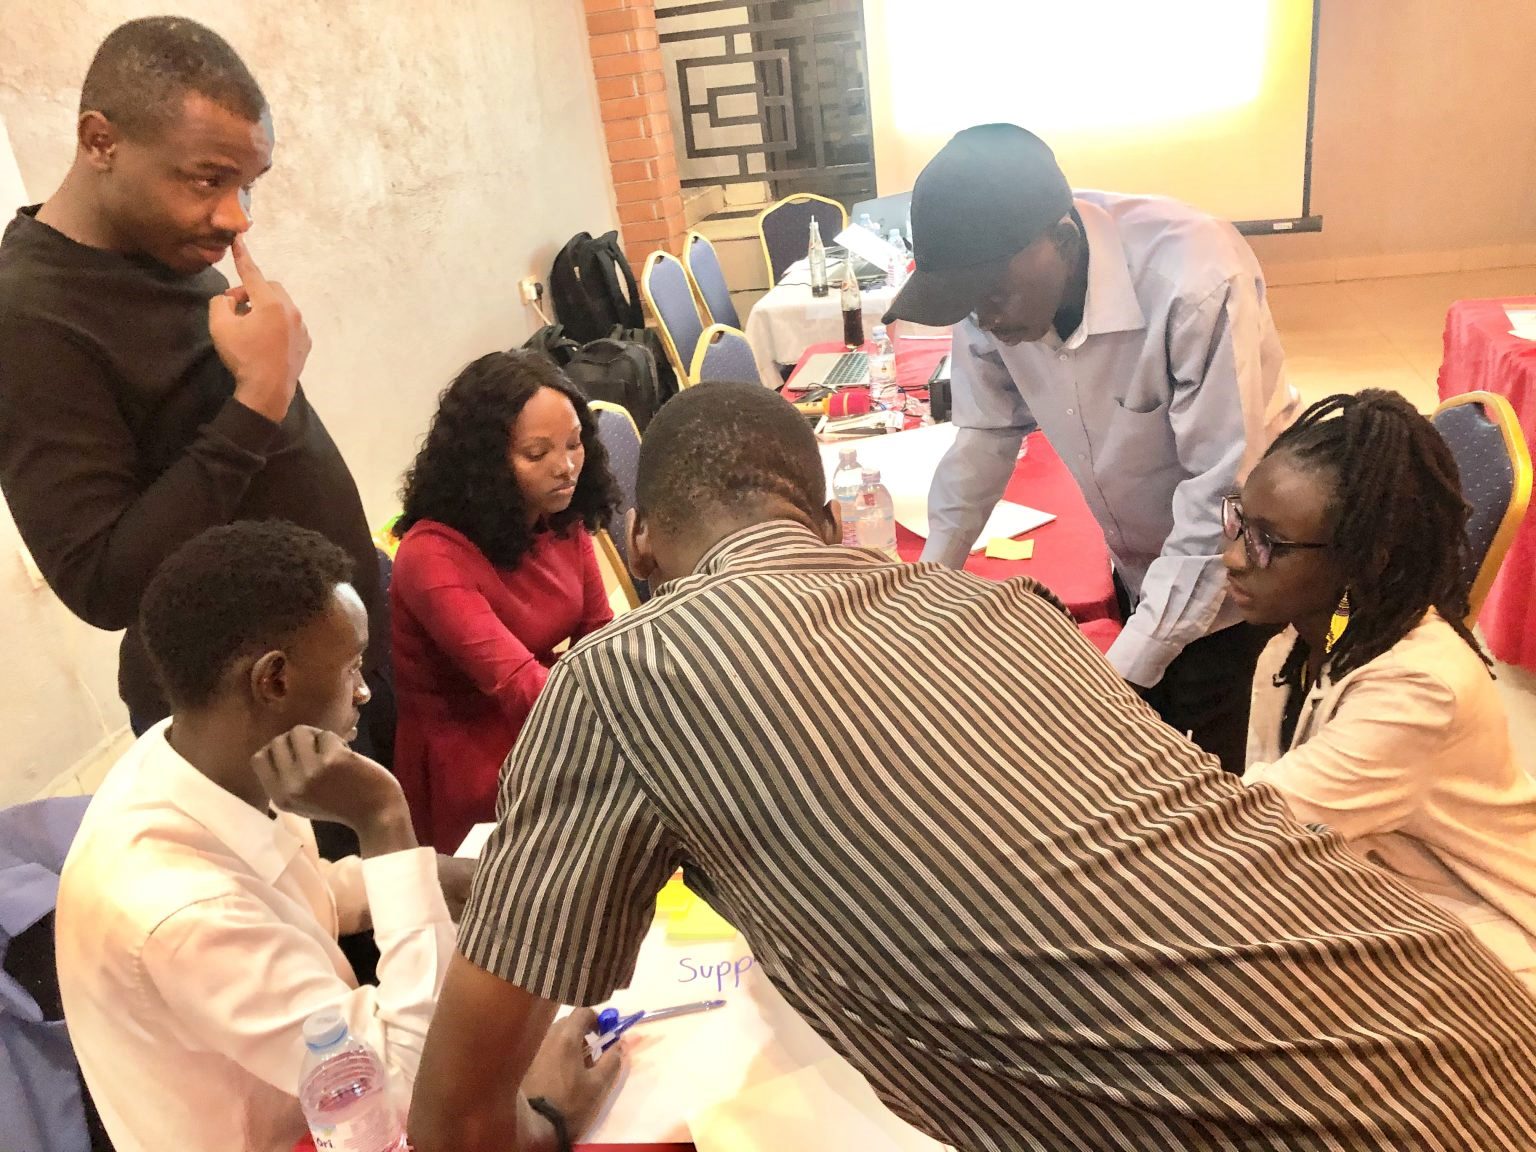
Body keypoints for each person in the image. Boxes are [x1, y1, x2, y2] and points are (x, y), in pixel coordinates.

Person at [408, 382, 1536, 1152]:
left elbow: (450, 1123)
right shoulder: (1011, 612)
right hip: (1481, 1028)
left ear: (642, 545)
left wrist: (547, 1119)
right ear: (819, 508)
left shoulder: (624, 675)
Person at [54, 520, 615, 1152]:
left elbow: (295, 889)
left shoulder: (195, 754)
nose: (365, 690)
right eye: (352, 667)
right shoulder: (180, 913)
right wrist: (385, 824)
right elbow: (418, 1093)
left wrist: (435, 874)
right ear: (273, 681)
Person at [0, 17, 392, 759]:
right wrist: (260, 400)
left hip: (328, 674)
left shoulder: (162, 249)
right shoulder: (28, 316)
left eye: (248, 185)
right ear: (100, 142)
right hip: (245, 726)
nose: (236, 216)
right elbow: (102, 584)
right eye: (208, 179)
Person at [883, 123, 1300, 774]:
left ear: (1065, 242)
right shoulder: (991, 300)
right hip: (1138, 566)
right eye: (967, 304)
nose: (985, 320)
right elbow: (985, 437)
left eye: (992, 294)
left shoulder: (1193, 280)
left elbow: (1222, 501)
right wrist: (928, 591)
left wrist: (1122, 676)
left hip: (1241, 585)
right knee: (1141, 764)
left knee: (1222, 790)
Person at [1227, 390, 1536, 990]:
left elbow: (1249, 828)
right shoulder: (1300, 638)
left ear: (1364, 557)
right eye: (1239, 520)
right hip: (1383, 899)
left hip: (1489, 954)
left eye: (1270, 543)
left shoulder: (1418, 693)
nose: (1235, 557)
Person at [391, 350, 619, 850]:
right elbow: (515, 685)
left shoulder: (558, 513)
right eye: (537, 454)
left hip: (547, 715)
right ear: (484, 464)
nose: (565, 468)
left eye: (575, 444)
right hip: (473, 758)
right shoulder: (430, 556)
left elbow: (599, 633)